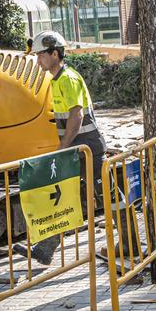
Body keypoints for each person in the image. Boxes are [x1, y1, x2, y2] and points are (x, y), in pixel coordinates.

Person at [14, 31, 107, 266]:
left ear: (54, 54)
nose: (38, 61)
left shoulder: (68, 79)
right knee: (62, 198)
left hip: (87, 148)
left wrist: (63, 147)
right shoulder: (56, 80)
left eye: (41, 55)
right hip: (76, 149)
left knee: (107, 195)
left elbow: (76, 116)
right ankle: (46, 249)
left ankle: (129, 243)